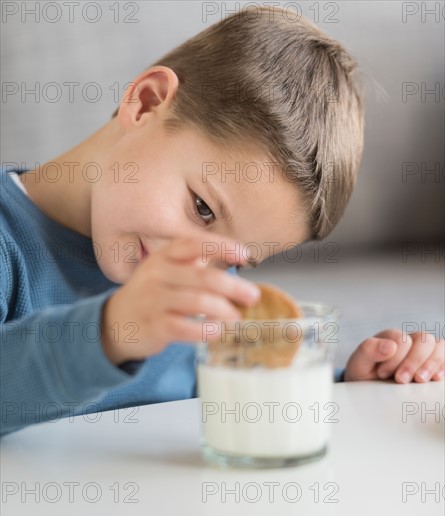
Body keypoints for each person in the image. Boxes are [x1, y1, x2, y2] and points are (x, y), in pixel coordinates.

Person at [1, 6, 443, 437]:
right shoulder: (9, 247)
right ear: (146, 102)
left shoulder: (203, 294)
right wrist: (113, 331)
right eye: (203, 209)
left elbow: (239, 402)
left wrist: (355, 388)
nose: (199, 266)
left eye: (233, 261)